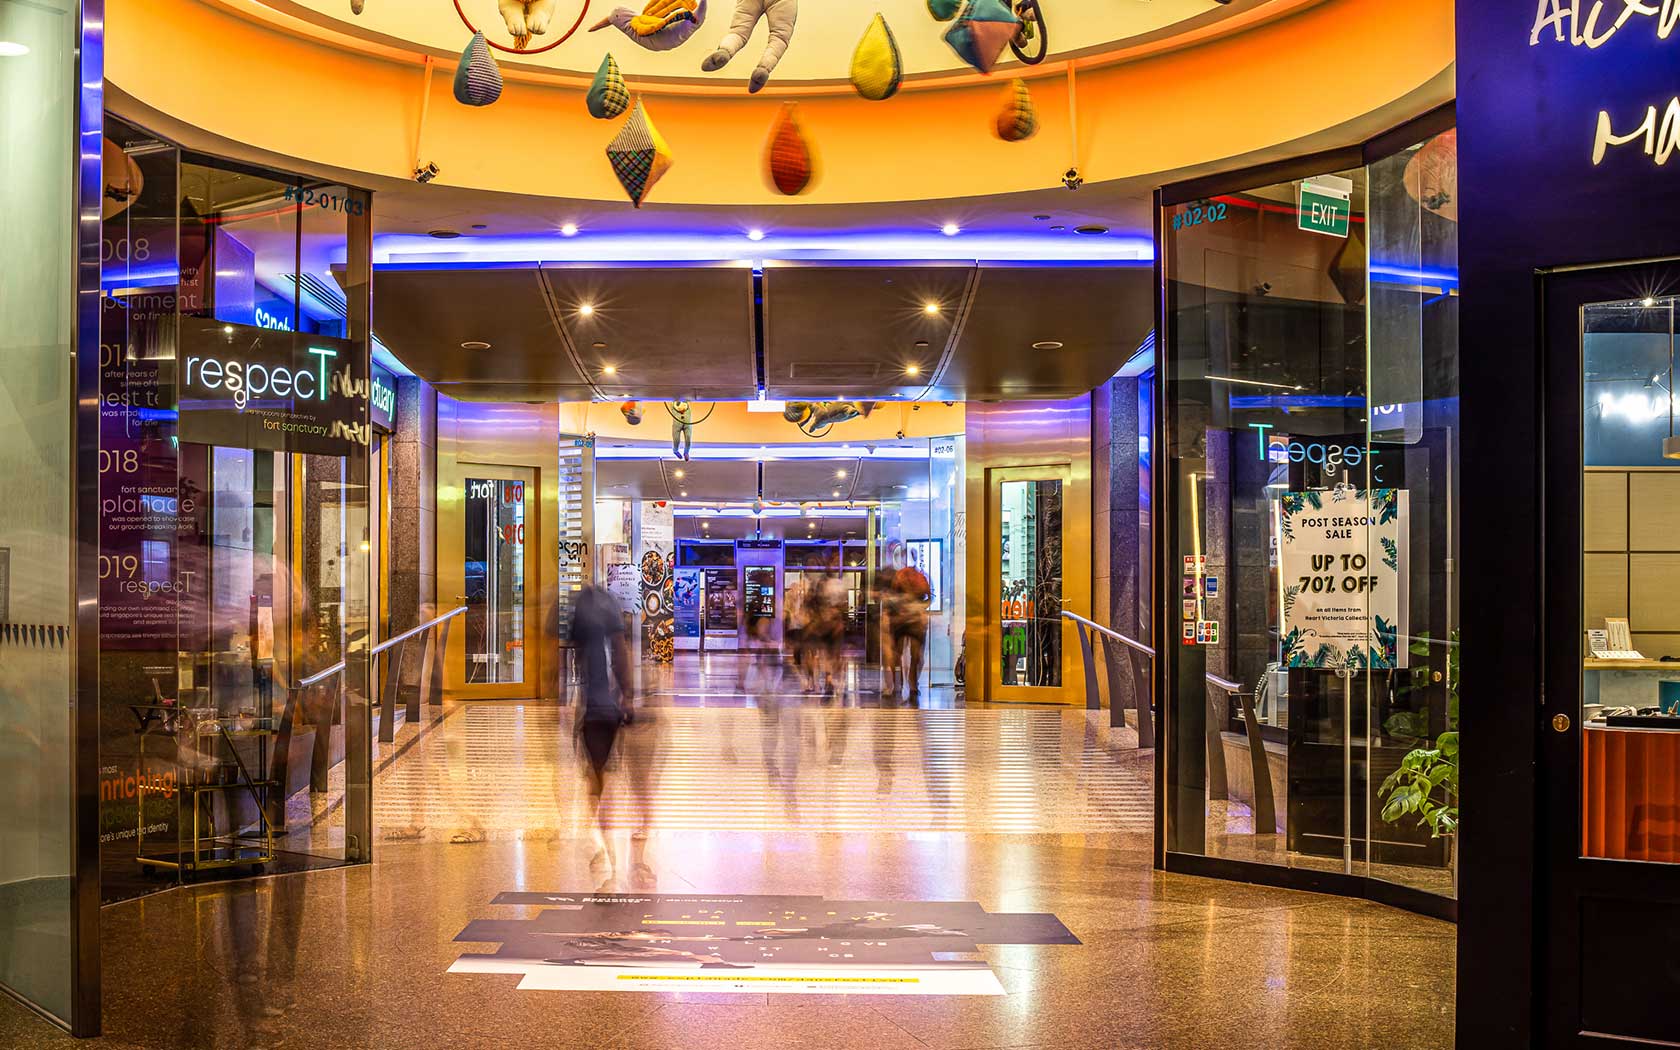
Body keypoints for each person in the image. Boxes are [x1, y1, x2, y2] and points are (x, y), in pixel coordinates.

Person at [569, 580, 634, 875]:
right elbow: (620, 654)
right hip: (607, 709)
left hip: (591, 707)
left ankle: (601, 841)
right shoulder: (610, 608)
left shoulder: (580, 609)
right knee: (604, 773)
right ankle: (605, 843)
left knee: (595, 775)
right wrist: (628, 695)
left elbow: (573, 659)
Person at [891, 555, 933, 704]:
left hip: (910, 620)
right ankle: (905, 684)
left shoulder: (917, 577)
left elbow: (928, 597)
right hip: (906, 620)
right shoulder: (905, 576)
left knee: (913, 655)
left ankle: (909, 683)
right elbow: (929, 597)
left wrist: (917, 608)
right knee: (904, 654)